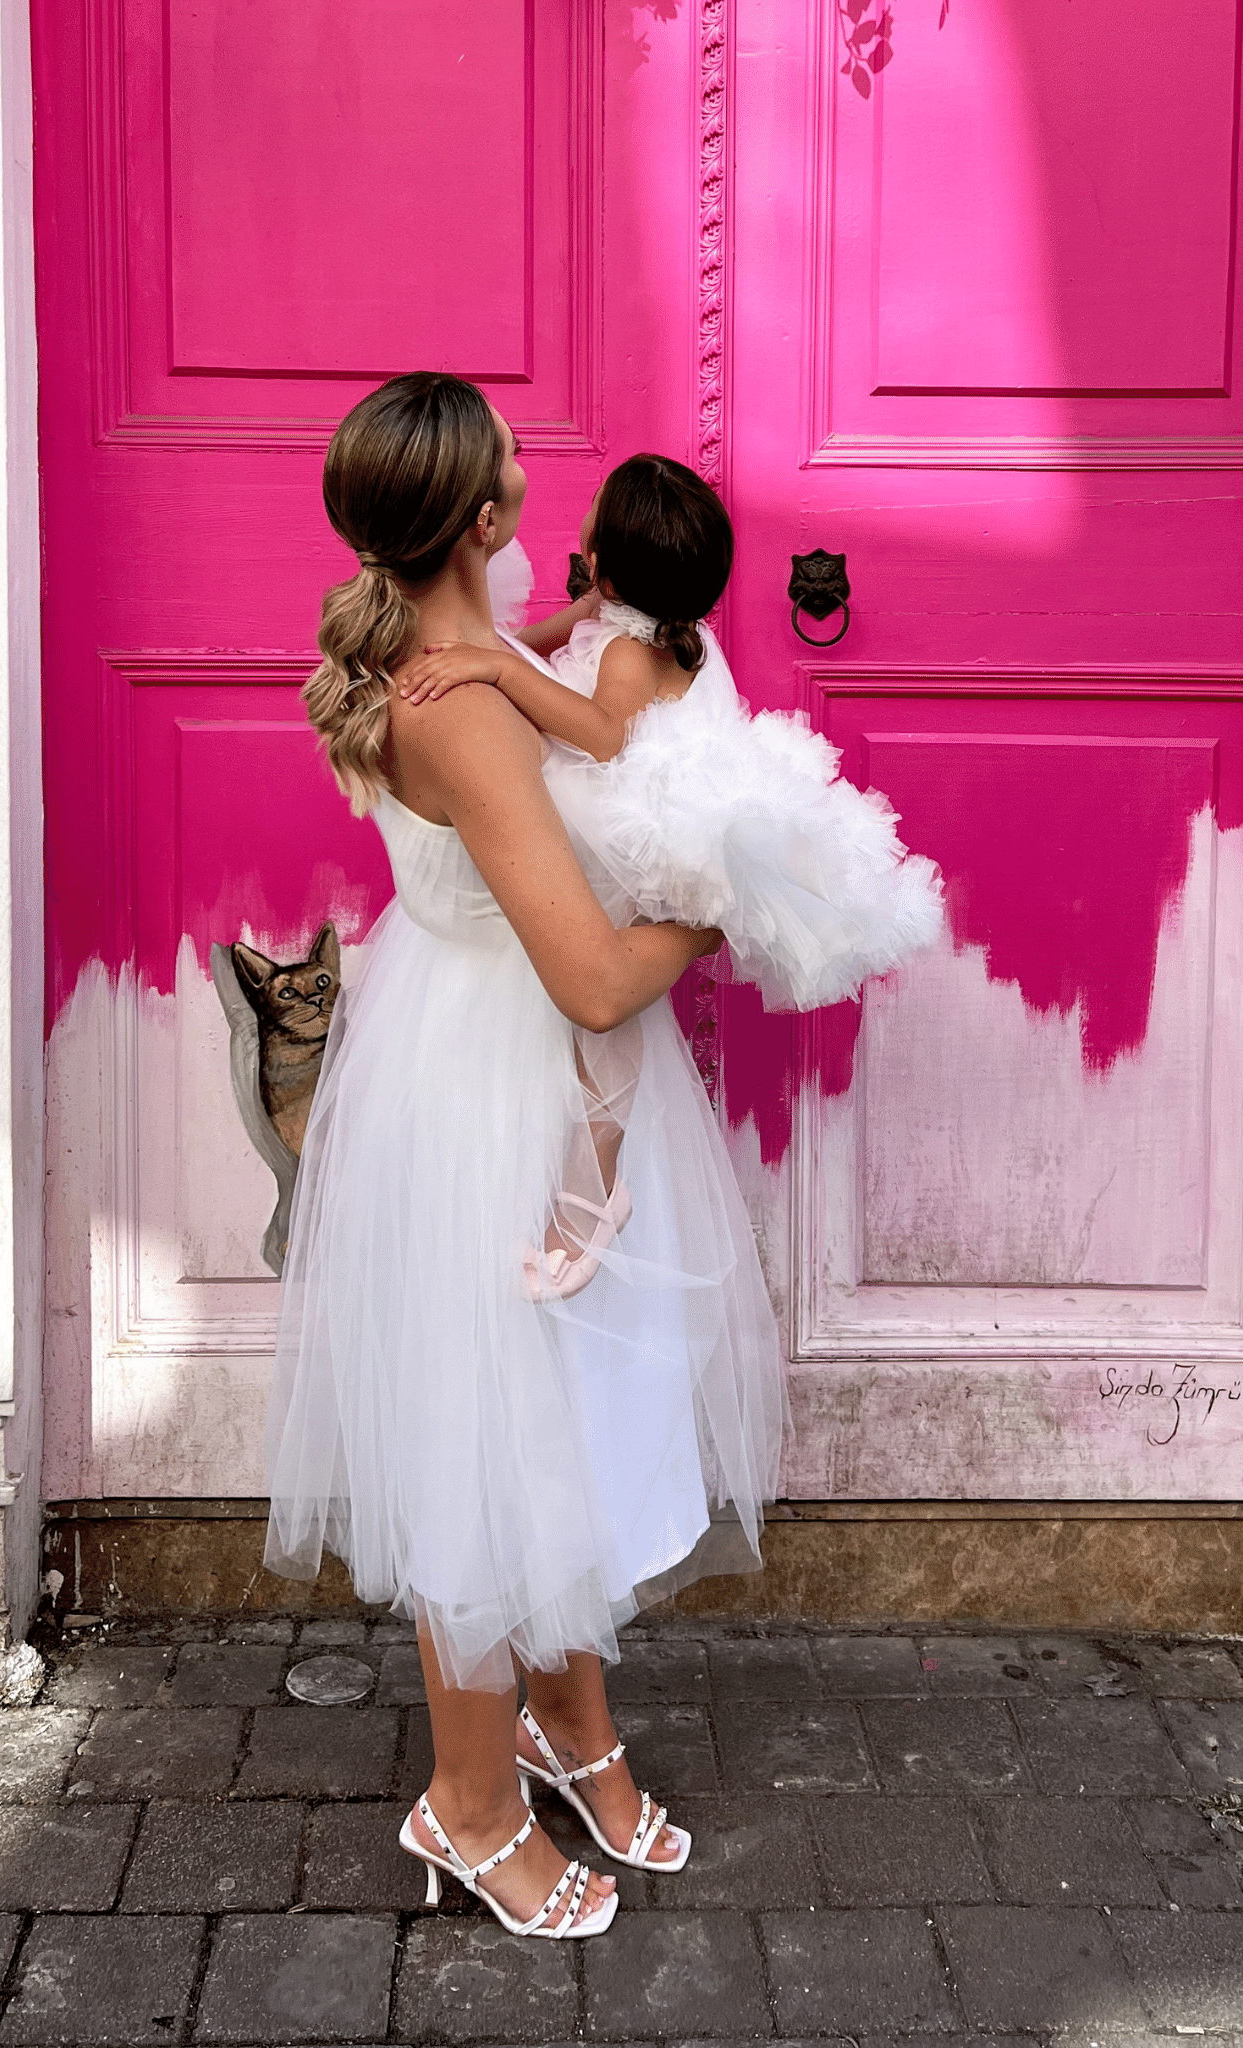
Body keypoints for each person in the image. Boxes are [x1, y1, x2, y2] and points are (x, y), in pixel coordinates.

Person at [264, 373, 786, 1940]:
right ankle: (470, 1804)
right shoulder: (471, 708)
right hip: (501, 1075)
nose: (528, 482)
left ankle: (567, 1729)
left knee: (545, 1416)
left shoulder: (457, 658)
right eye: (510, 470)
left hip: (484, 1044)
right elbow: (596, 978)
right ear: (481, 517)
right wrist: (745, 892)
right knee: (482, 1438)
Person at [397, 452, 945, 1296]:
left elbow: (603, 734)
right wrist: (490, 651)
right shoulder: (630, 620)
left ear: (608, 553)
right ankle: (588, 1185)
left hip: (630, 838)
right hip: (639, 821)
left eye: (595, 509)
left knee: (600, 1033)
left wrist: (498, 670)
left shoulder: (626, 651)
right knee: (591, 1032)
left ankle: (590, 1197)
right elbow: (530, 650)